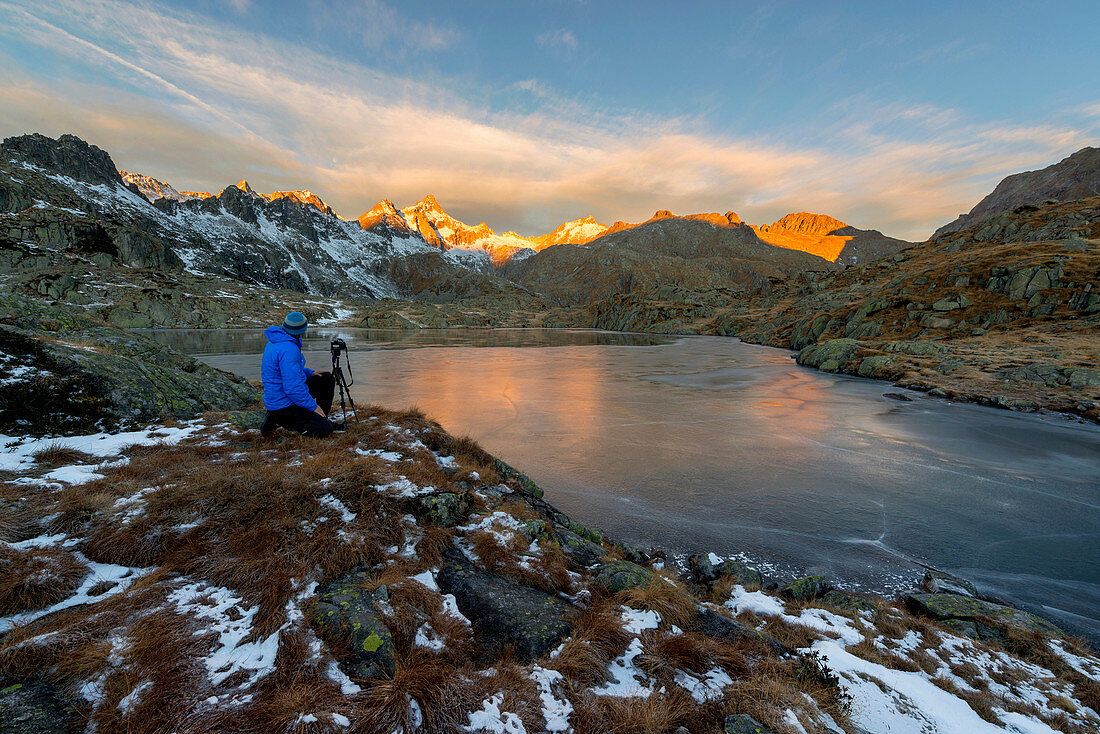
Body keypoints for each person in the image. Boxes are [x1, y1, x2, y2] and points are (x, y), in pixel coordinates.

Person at [260, 312, 336, 437]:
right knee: (325, 430)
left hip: (276, 398)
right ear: (301, 330)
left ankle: (320, 417)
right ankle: (279, 420)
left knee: (325, 379)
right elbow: (292, 388)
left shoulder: (276, 342)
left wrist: (310, 373)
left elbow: (285, 370)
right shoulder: (289, 349)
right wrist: (313, 407)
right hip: (284, 405)